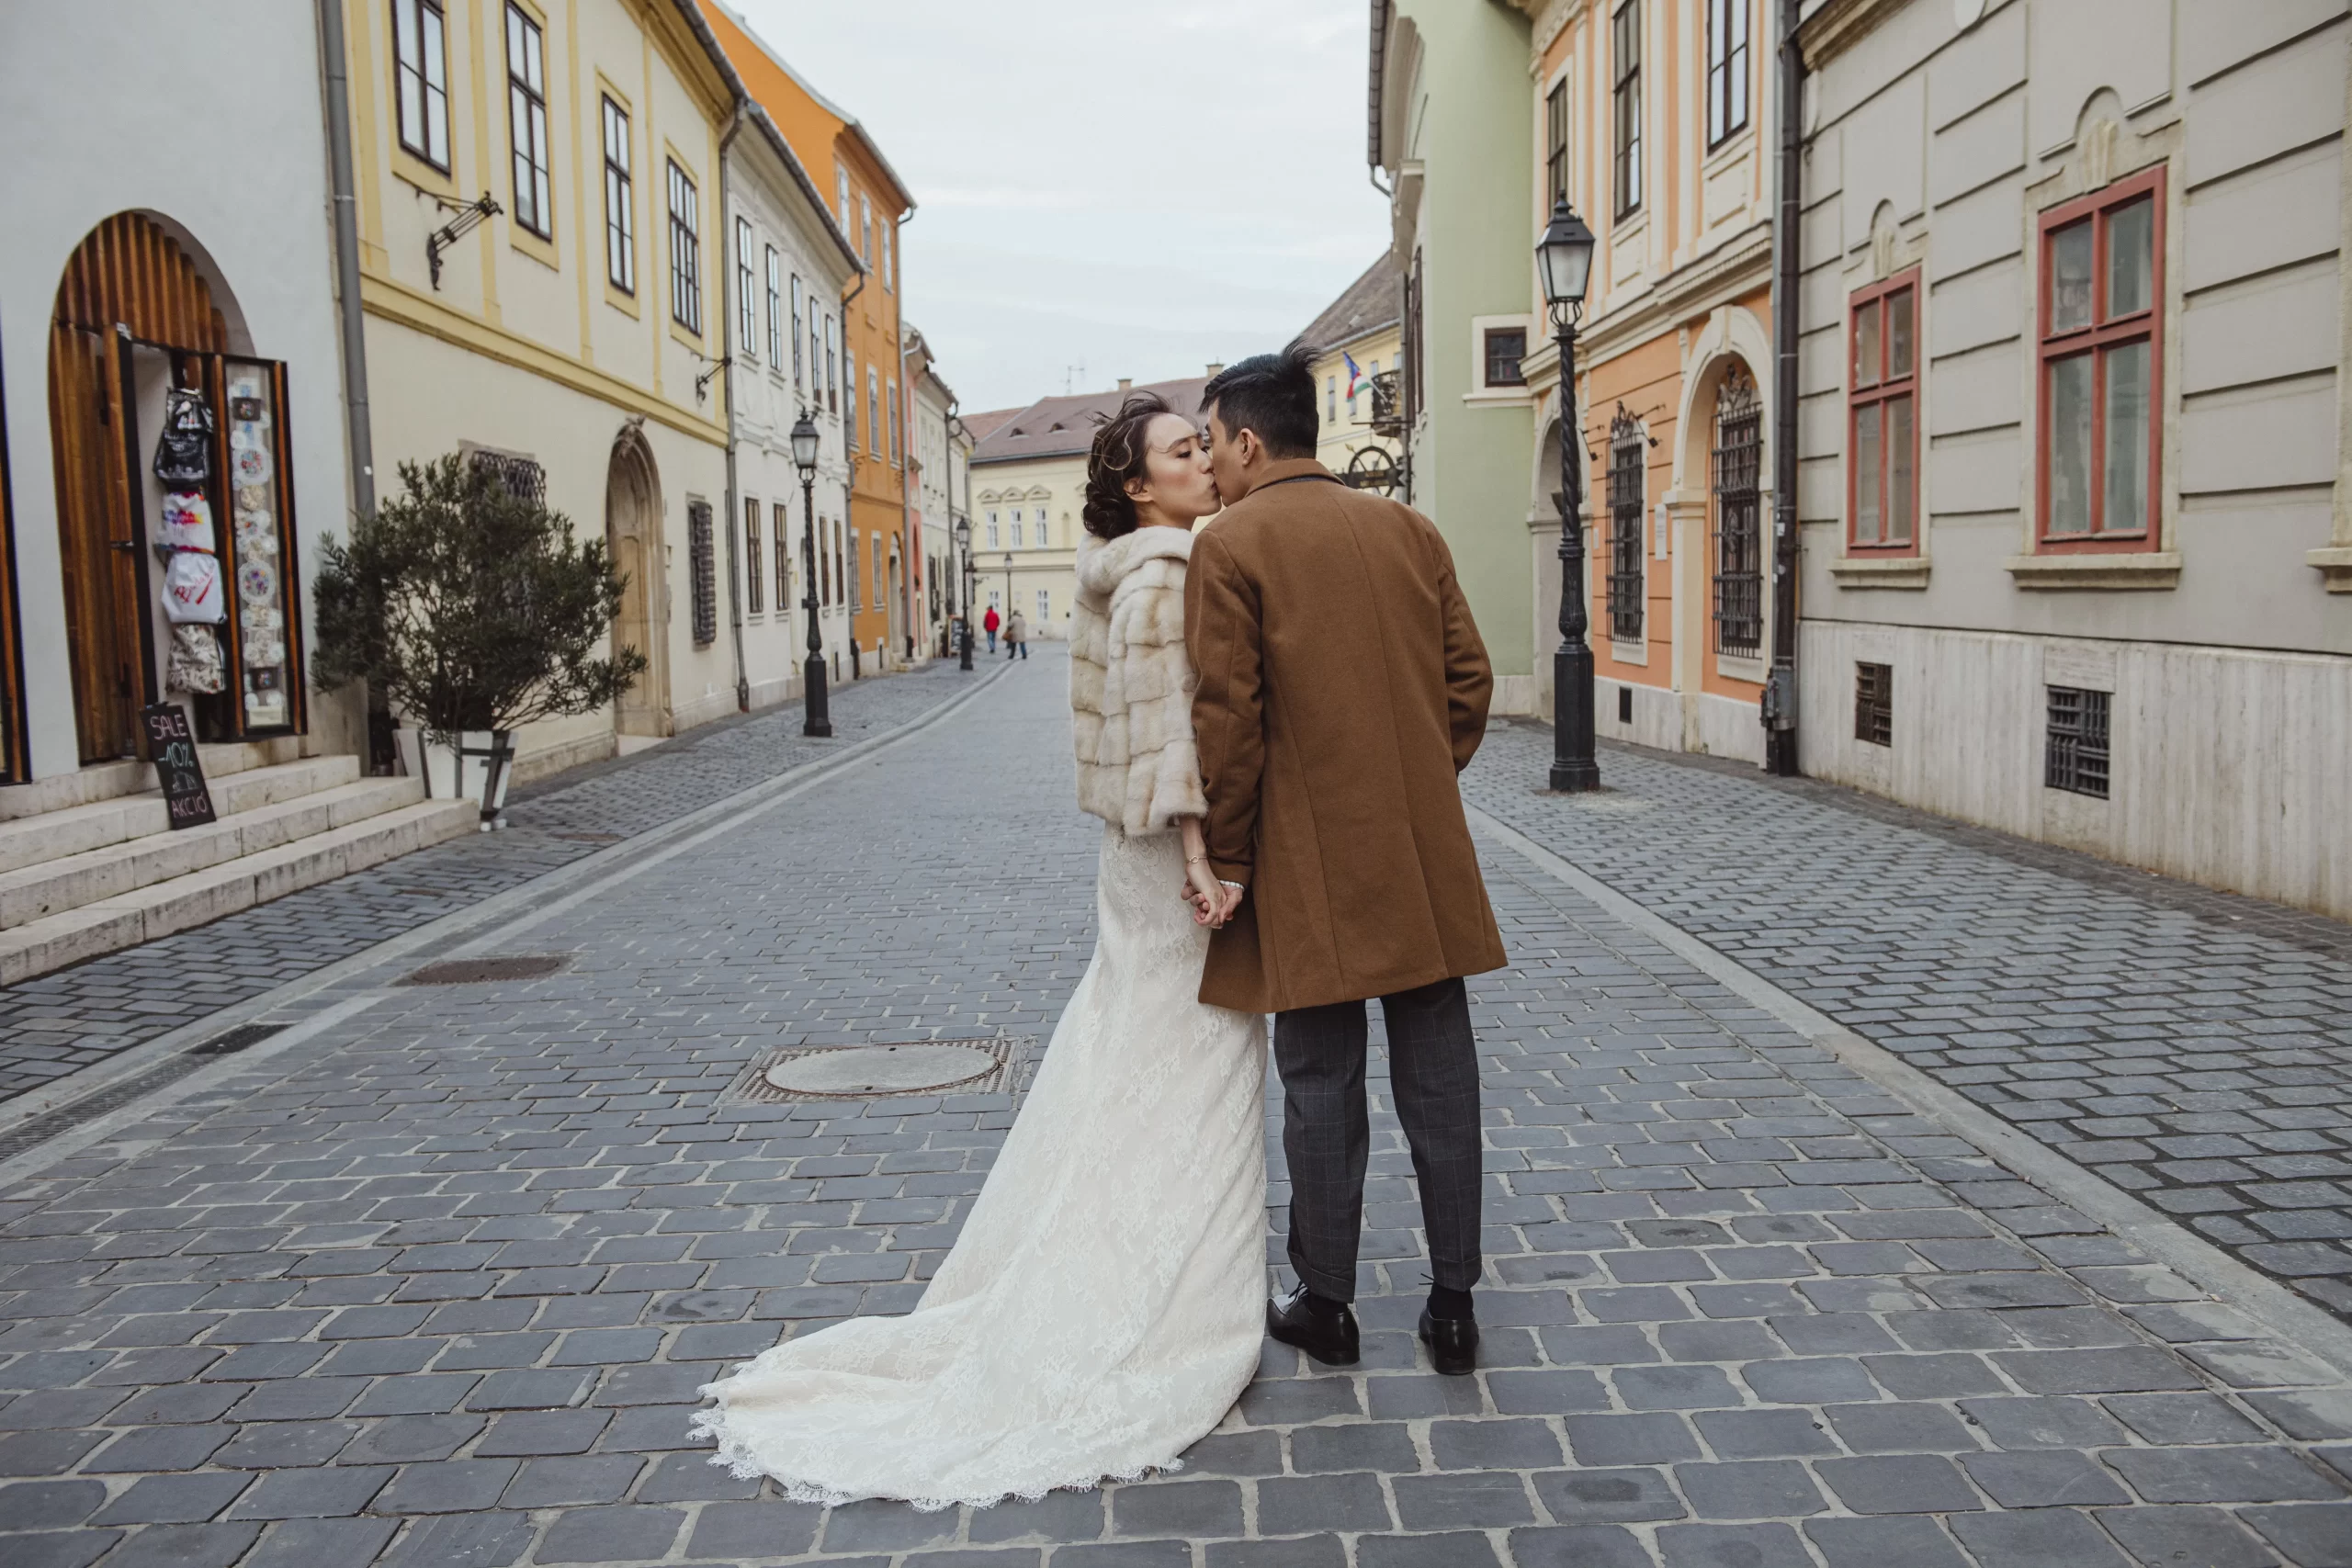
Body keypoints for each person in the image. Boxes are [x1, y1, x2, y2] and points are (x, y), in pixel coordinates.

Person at [694, 393, 1265, 1506]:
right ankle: (1157, 1302)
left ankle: (1100, 1256)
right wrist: (1205, 857)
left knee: (1124, 1062)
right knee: (1192, 1068)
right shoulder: (1163, 573)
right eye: (1181, 452)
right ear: (1141, 486)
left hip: (1124, 865)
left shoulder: (1112, 568)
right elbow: (1166, 733)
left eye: (1201, 444)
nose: (1203, 459)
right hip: (1170, 861)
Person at [1185, 339, 1505, 1379]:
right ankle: (1452, 1309)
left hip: (1306, 865)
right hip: (1422, 860)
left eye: (1212, 447)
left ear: (1244, 439)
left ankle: (1327, 1305)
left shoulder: (1230, 546)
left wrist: (1229, 859)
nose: (1211, 469)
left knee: (1322, 1087)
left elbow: (1228, 720)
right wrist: (1413, 781)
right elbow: (1468, 683)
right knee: (1442, 1088)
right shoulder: (1410, 528)